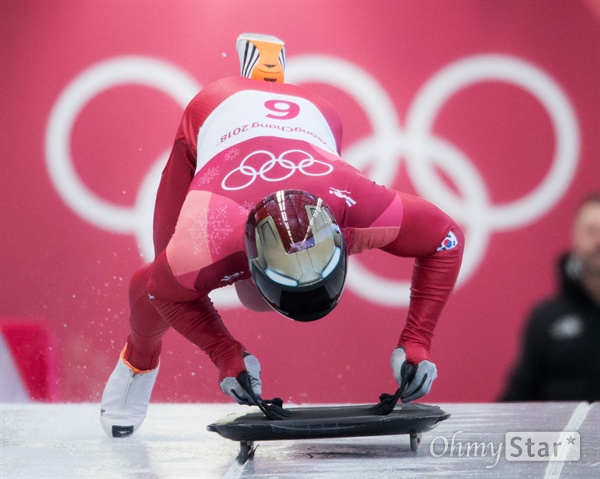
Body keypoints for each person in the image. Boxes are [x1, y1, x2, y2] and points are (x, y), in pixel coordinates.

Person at [100, 33, 464, 438]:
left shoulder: (356, 205)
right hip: (217, 111)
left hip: (313, 115)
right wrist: (224, 353)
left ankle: (262, 72)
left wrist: (417, 343)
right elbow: (156, 289)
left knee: (203, 288)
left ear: (343, 241)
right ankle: (139, 360)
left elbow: (446, 238)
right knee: (161, 279)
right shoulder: (210, 234)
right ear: (249, 259)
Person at [501, 192, 600, 402]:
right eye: (590, 231)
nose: (598, 240)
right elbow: (520, 395)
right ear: (575, 238)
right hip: (567, 434)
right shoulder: (546, 319)